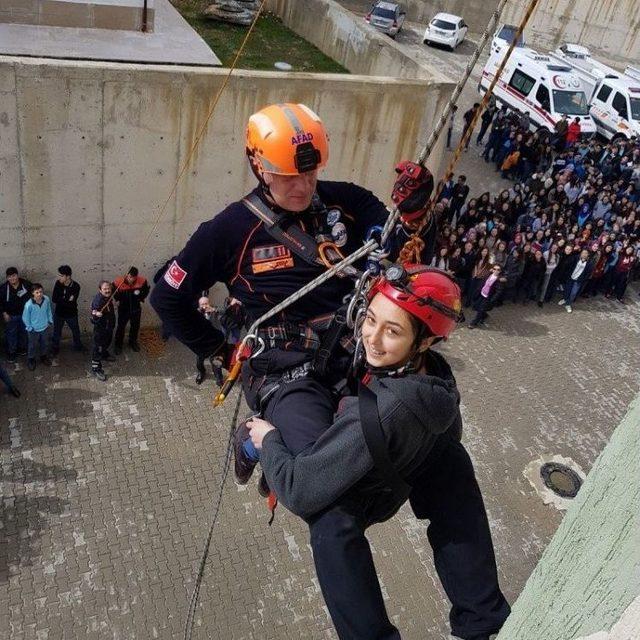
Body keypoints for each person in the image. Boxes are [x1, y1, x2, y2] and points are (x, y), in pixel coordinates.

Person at [151, 103, 506, 640]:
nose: (304, 185)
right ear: (258, 167)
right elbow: (168, 297)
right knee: (329, 509)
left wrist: (413, 213)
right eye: (290, 176)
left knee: (446, 457)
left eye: (311, 172)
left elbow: (395, 250)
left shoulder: (344, 201)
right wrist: (223, 354)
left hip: (357, 353)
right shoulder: (228, 231)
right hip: (287, 374)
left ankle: (483, 621)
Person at [247, 266, 510, 640]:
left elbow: (298, 489)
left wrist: (268, 439)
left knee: (328, 523)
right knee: (451, 459)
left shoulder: (383, 412)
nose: (372, 339)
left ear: (423, 342)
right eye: (371, 320)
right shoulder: (437, 380)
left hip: (375, 485)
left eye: (393, 331)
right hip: (409, 466)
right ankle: (483, 618)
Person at [112, 267, 150, 354]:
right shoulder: (118, 282)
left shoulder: (142, 281)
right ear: (127, 275)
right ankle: (118, 345)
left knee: (135, 326)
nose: (131, 279)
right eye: (130, 277)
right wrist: (117, 299)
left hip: (136, 308)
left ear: (136, 276)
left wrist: (141, 299)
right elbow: (112, 290)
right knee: (121, 327)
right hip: (123, 309)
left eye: (133, 277)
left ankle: (132, 342)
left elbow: (146, 290)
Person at [51, 265, 85, 354]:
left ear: (68, 276)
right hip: (59, 313)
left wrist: (62, 299)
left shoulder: (76, 286)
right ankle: (55, 347)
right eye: (59, 275)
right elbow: (54, 299)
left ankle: (78, 346)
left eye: (61, 276)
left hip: (71, 313)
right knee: (56, 332)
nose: (59, 278)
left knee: (75, 331)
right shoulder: (58, 283)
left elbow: (71, 302)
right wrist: (66, 299)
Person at [0, 267, 32, 363]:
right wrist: (4, 313)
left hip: (24, 315)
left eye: (14, 276)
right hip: (11, 316)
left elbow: (33, 296)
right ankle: (12, 352)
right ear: (7, 278)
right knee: (11, 334)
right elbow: (0, 302)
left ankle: (22, 349)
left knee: (24, 332)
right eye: (9, 277)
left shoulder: (26, 284)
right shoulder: (3, 288)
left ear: (17, 275)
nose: (12, 278)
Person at [22, 283, 53, 371]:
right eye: (37, 292)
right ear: (32, 293)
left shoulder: (46, 299)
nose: (39, 294)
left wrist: (50, 320)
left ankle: (43, 357)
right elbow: (25, 318)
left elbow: (48, 310)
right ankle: (31, 359)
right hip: (33, 330)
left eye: (41, 292)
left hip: (45, 327)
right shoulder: (29, 305)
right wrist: (30, 328)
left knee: (45, 343)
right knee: (32, 345)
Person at [90, 281, 116, 381]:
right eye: (105, 289)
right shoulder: (98, 300)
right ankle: (96, 368)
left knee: (107, 342)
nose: (107, 290)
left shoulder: (109, 296)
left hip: (109, 327)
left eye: (108, 288)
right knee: (98, 348)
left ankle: (104, 354)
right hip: (100, 329)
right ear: (100, 290)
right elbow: (93, 312)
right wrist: (96, 314)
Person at [468, 264, 504, 328]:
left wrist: (492, 300)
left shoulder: (499, 280)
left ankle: (474, 323)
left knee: (480, 310)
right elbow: (482, 283)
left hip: (488, 297)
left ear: (500, 271)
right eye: (494, 269)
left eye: (498, 270)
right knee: (476, 307)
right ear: (492, 269)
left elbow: (499, 292)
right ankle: (484, 315)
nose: (496, 271)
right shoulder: (488, 275)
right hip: (482, 294)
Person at [558, 249, 593, 313]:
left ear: (588, 254)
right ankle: (565, 299)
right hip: (571, 277)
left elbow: (588, 273)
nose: (584, 254)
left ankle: (568, 304)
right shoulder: (576, 258)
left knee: (573, 293)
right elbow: (569, 265)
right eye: (583, 253)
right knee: (567, 290)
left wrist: (583, 279)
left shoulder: (589, 263)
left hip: (578, 280)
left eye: (586, 253)